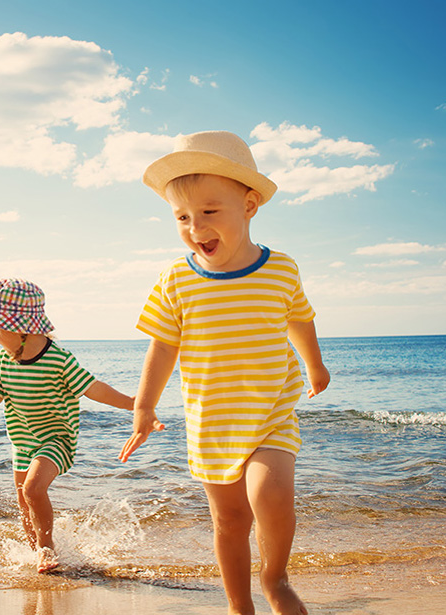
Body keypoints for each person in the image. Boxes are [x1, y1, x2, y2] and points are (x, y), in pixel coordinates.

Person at [119, 131, 330, 615]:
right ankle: (239, 605)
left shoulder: (280, 269)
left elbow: (299, 316)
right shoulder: (177, 279)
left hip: (272, 413)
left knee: (270, 496)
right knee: (230, 521)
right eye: (182, 217)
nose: (196, 227)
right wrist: (144, 406)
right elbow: (163, 346)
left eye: (209, 212)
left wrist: (314, 364)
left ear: (249, 204)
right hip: (212, 422)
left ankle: (275, 579)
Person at [0, 278, 139, 573]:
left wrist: (132, 403)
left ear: (19, 327)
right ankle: (37, 553)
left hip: (56, 439)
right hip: (22, 441)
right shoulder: (4, 360)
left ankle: (47, 548)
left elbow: (93, 388)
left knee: (33, 489)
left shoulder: (58, 360)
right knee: (25, 502)